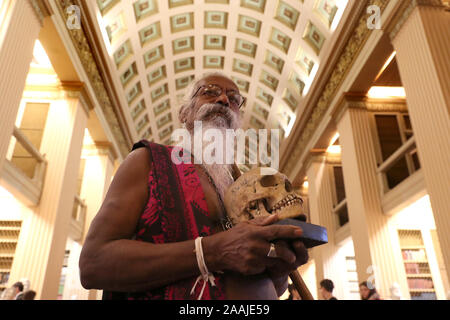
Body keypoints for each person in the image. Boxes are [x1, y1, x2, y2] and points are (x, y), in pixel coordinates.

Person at [79, 73, 309, 300]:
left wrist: (278, 270)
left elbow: (271, 286)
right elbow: (94, 263)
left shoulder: (244, 188)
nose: (223, 100)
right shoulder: (148, 161)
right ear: (184, 113)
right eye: (209, 92)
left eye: (234, 98)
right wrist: (212, 252)